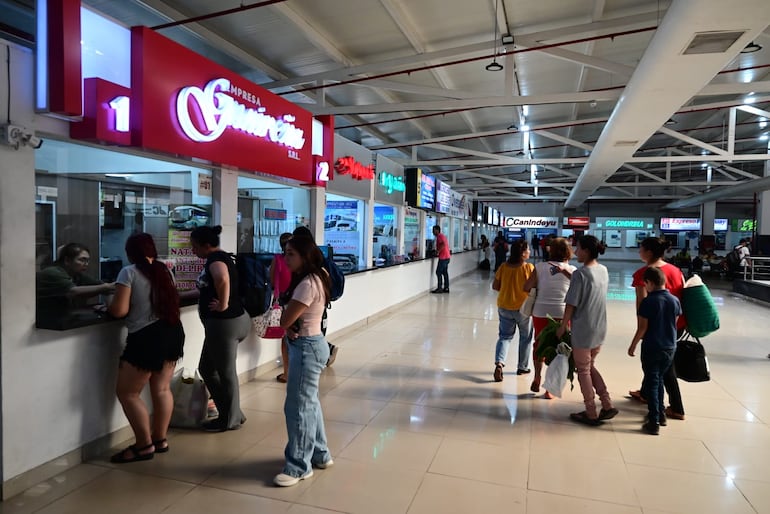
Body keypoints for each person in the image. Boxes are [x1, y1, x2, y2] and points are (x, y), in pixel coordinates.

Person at [108, 233, 185, 462]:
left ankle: (143, 446)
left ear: (130, 252)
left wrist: (108, 305)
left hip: (147, 337)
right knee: (162, 389)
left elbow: (119, 310)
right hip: (173, 331)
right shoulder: (165, 270)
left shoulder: (128, 272)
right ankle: (160, 440)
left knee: (128, 393)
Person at [274, 236, 333, 487]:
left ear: (304, 256)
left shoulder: (307, 284)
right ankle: (320, 454)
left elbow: (285, 320)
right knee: (310, 404)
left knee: (298, 407)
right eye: (285, 253)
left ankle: (299, 466)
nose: (286, 258)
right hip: (313, 343)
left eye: (291, 254)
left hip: (306, 347)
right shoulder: (318, 276)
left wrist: (286, 322)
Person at [190, 225, 252, 432]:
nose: (193, 251)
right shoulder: (222, 257)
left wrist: (223, 305)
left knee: (226, 373)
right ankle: (233, 413)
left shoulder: (215, 260)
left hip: (224, 324)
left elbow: (222, 278)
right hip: (232, 322)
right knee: (207, 369)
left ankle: (230, 420)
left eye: (195, 246)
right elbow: (209, 287)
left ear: (206, 245)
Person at [557, 235, 618, 426]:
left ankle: (591, 412)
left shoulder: (580, 274)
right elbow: (588, 287)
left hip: (584, 329)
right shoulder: (603, 270)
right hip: (599, 327)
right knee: (589, 366)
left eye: (578, 248)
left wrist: (562, 326)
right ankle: (607, 404)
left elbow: (571, 304)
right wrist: (568, 275)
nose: (575, 252)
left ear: (587, 251)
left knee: (583, 370)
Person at [628, 237, 686, 421]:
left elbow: (641, 306)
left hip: (655, 328)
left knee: (663, 369)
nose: (639, 251)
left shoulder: (643, 273)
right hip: (676, 324)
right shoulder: (675, 270)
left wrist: (640, 333)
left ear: (649, 252)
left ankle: (676, 408)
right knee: (661, 363)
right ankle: (645, 393)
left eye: (641, 248)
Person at [523, 237, 576, 398]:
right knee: (559, 348)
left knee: (539, 344)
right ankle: (550, 389)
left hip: (540, 311)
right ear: (568, 251)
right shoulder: (572, 270)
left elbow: (526, 287)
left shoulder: (539, 267)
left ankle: (537, 376)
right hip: (562, 313)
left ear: (550, 251)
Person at [36, 242, 115, 326]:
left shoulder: (77, 275)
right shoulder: (52, 272)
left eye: (87, 260)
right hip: (45, 322)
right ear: (67, 260)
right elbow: (73, 291)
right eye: (82, 260)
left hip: (65, 319)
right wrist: (105, 287)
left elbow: (107, 288)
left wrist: (110, 306)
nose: (86, 264)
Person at [291, 226, 338, 365]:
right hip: (321, 303)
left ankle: (323, 354)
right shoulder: (318, 257)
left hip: (308, 338)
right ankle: (325, 353)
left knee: (313, 330)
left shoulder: (309, 280)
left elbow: (285, 321)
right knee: (318, 329)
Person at [492, 241, 534, 381]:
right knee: (525, 338)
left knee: (505, 337)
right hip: (523, 309)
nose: (529, 252)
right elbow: (533, 288)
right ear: (523, 253)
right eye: (528, 250)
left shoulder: (503, 267)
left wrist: (507, 288)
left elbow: (495, 286)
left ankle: (499, 363)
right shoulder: (528, 268)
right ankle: (522, 367)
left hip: (504, 306)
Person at [272, 232, 294, 384]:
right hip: (298, 299)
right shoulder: (299, 259)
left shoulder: (278, 259)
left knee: (286, 337)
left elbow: (272, 279)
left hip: (284, 300)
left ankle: (287, 372)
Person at [431, 225, 451, 293]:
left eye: (433, 230)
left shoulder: (439, 236)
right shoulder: (442, 236)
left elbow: (443, 244)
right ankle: (446, 288)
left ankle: (439, 288)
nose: (432, 232)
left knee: (438, 272)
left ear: (437, 230)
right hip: (447, 257)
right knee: (445, 272)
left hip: (443, 257)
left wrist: (437, 251)